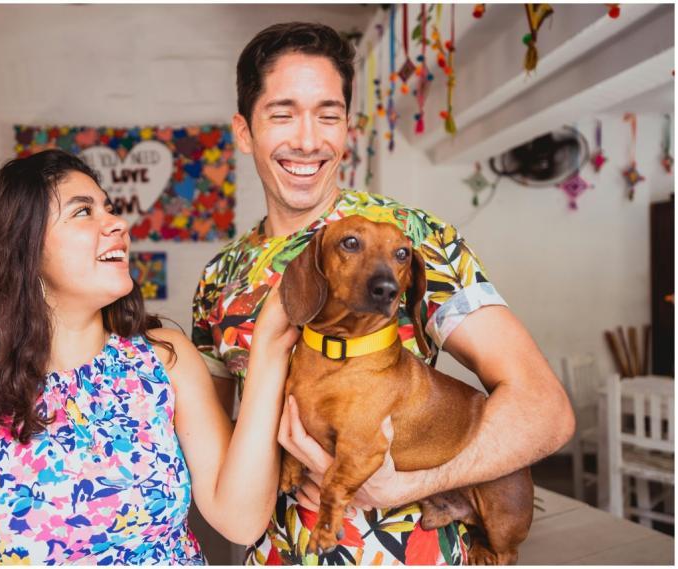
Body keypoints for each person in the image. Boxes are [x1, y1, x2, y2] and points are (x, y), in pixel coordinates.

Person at [192, 22, 575, 565]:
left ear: (347, 128)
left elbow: (546, 411)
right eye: (283, 114)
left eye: (328, 115)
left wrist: (406, 485)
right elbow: (219, 463)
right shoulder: (219, 278)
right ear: (243, 130)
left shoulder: (416, 238)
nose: (308, 139)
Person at [0, 149, 299, 564]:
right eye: (83, 212)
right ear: (24, 250)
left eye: (110, 208)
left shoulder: (165, 362)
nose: (119, 223)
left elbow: (241, 520)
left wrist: (269, 348)